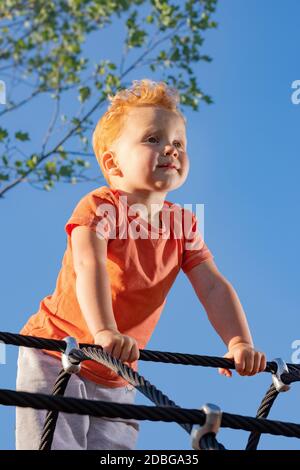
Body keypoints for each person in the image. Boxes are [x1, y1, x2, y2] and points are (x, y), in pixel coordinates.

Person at [16, 78, 266, 450]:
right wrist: (104, 331)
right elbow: (90, 266)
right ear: (113, 163)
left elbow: (212, 285)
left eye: (179, 143)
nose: (170, 148)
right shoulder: (100, 207)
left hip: (118, 372)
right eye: (152, 139)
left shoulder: (184, 225)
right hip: (57, 352)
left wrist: (238, 340)